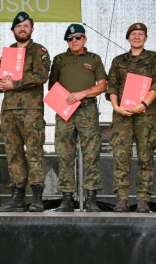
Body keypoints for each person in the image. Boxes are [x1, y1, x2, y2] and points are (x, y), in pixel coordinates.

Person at [0, 12, 50, 212]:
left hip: (31, 111)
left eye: (25, 25)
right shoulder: (8, 53)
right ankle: (17, 198)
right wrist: (2, 84)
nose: (22, 29)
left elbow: (42, 76)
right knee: (13, 154)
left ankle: (36, 198)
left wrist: (14, 83)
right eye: (18, 26)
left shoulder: (39, 51)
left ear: (31, 29)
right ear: (13, 30)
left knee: (34, 153)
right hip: (9, 111)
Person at [106, 23, 156, 213]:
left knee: (145, 157)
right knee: (121, 157)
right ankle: (121, 200)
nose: (137, 37)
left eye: (141, 34)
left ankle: (143, 200)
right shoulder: (118, 60)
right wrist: (116, 107)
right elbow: (112, 86)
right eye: (133, 34)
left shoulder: (155, 59)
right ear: (128, 38)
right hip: (122, 115)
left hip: (145, 115)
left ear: (146, 38)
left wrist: (144, 104)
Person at [48, 23, 107, 212]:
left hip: (87, 109)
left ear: (85, 39)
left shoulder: (94, 59)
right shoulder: (59, 59)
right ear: (67, 41)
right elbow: (52, 87)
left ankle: (91, 198)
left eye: (78, 38)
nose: (74, 41)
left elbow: (102, 85)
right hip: (64, 110)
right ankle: (67, 198)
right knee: (65, 154)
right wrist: (63, 100)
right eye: (70, 39)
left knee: (91, 154)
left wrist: (82, 94)